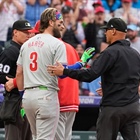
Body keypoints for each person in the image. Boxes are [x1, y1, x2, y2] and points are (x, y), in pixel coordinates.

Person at [47, 17, 140, 140]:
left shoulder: (110, 52)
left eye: (106, 30)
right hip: (133, 107)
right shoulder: (136, 54)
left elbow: (89, 75)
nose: (105, 33)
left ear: (113, 31)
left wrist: (64, 71)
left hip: (112, 108)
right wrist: (110, 87)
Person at [15, 8, 68, 140]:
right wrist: (79, 65)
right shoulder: (57, 44)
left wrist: (22, 95)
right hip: (46, 96)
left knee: (36, 136)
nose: (62, 26)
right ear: (51, 22)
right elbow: (62, 74)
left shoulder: (26, 44)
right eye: (59, 22)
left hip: (28, 97)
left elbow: (19, 73)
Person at [0, 19, 32, 140]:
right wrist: (14, 80)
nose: (28, 35)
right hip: (14, 102)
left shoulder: (26, 50)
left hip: (27, 100)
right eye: (25, 32)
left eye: (29, 32)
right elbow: (0, 75)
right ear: (15, 32)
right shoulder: (11, 51)